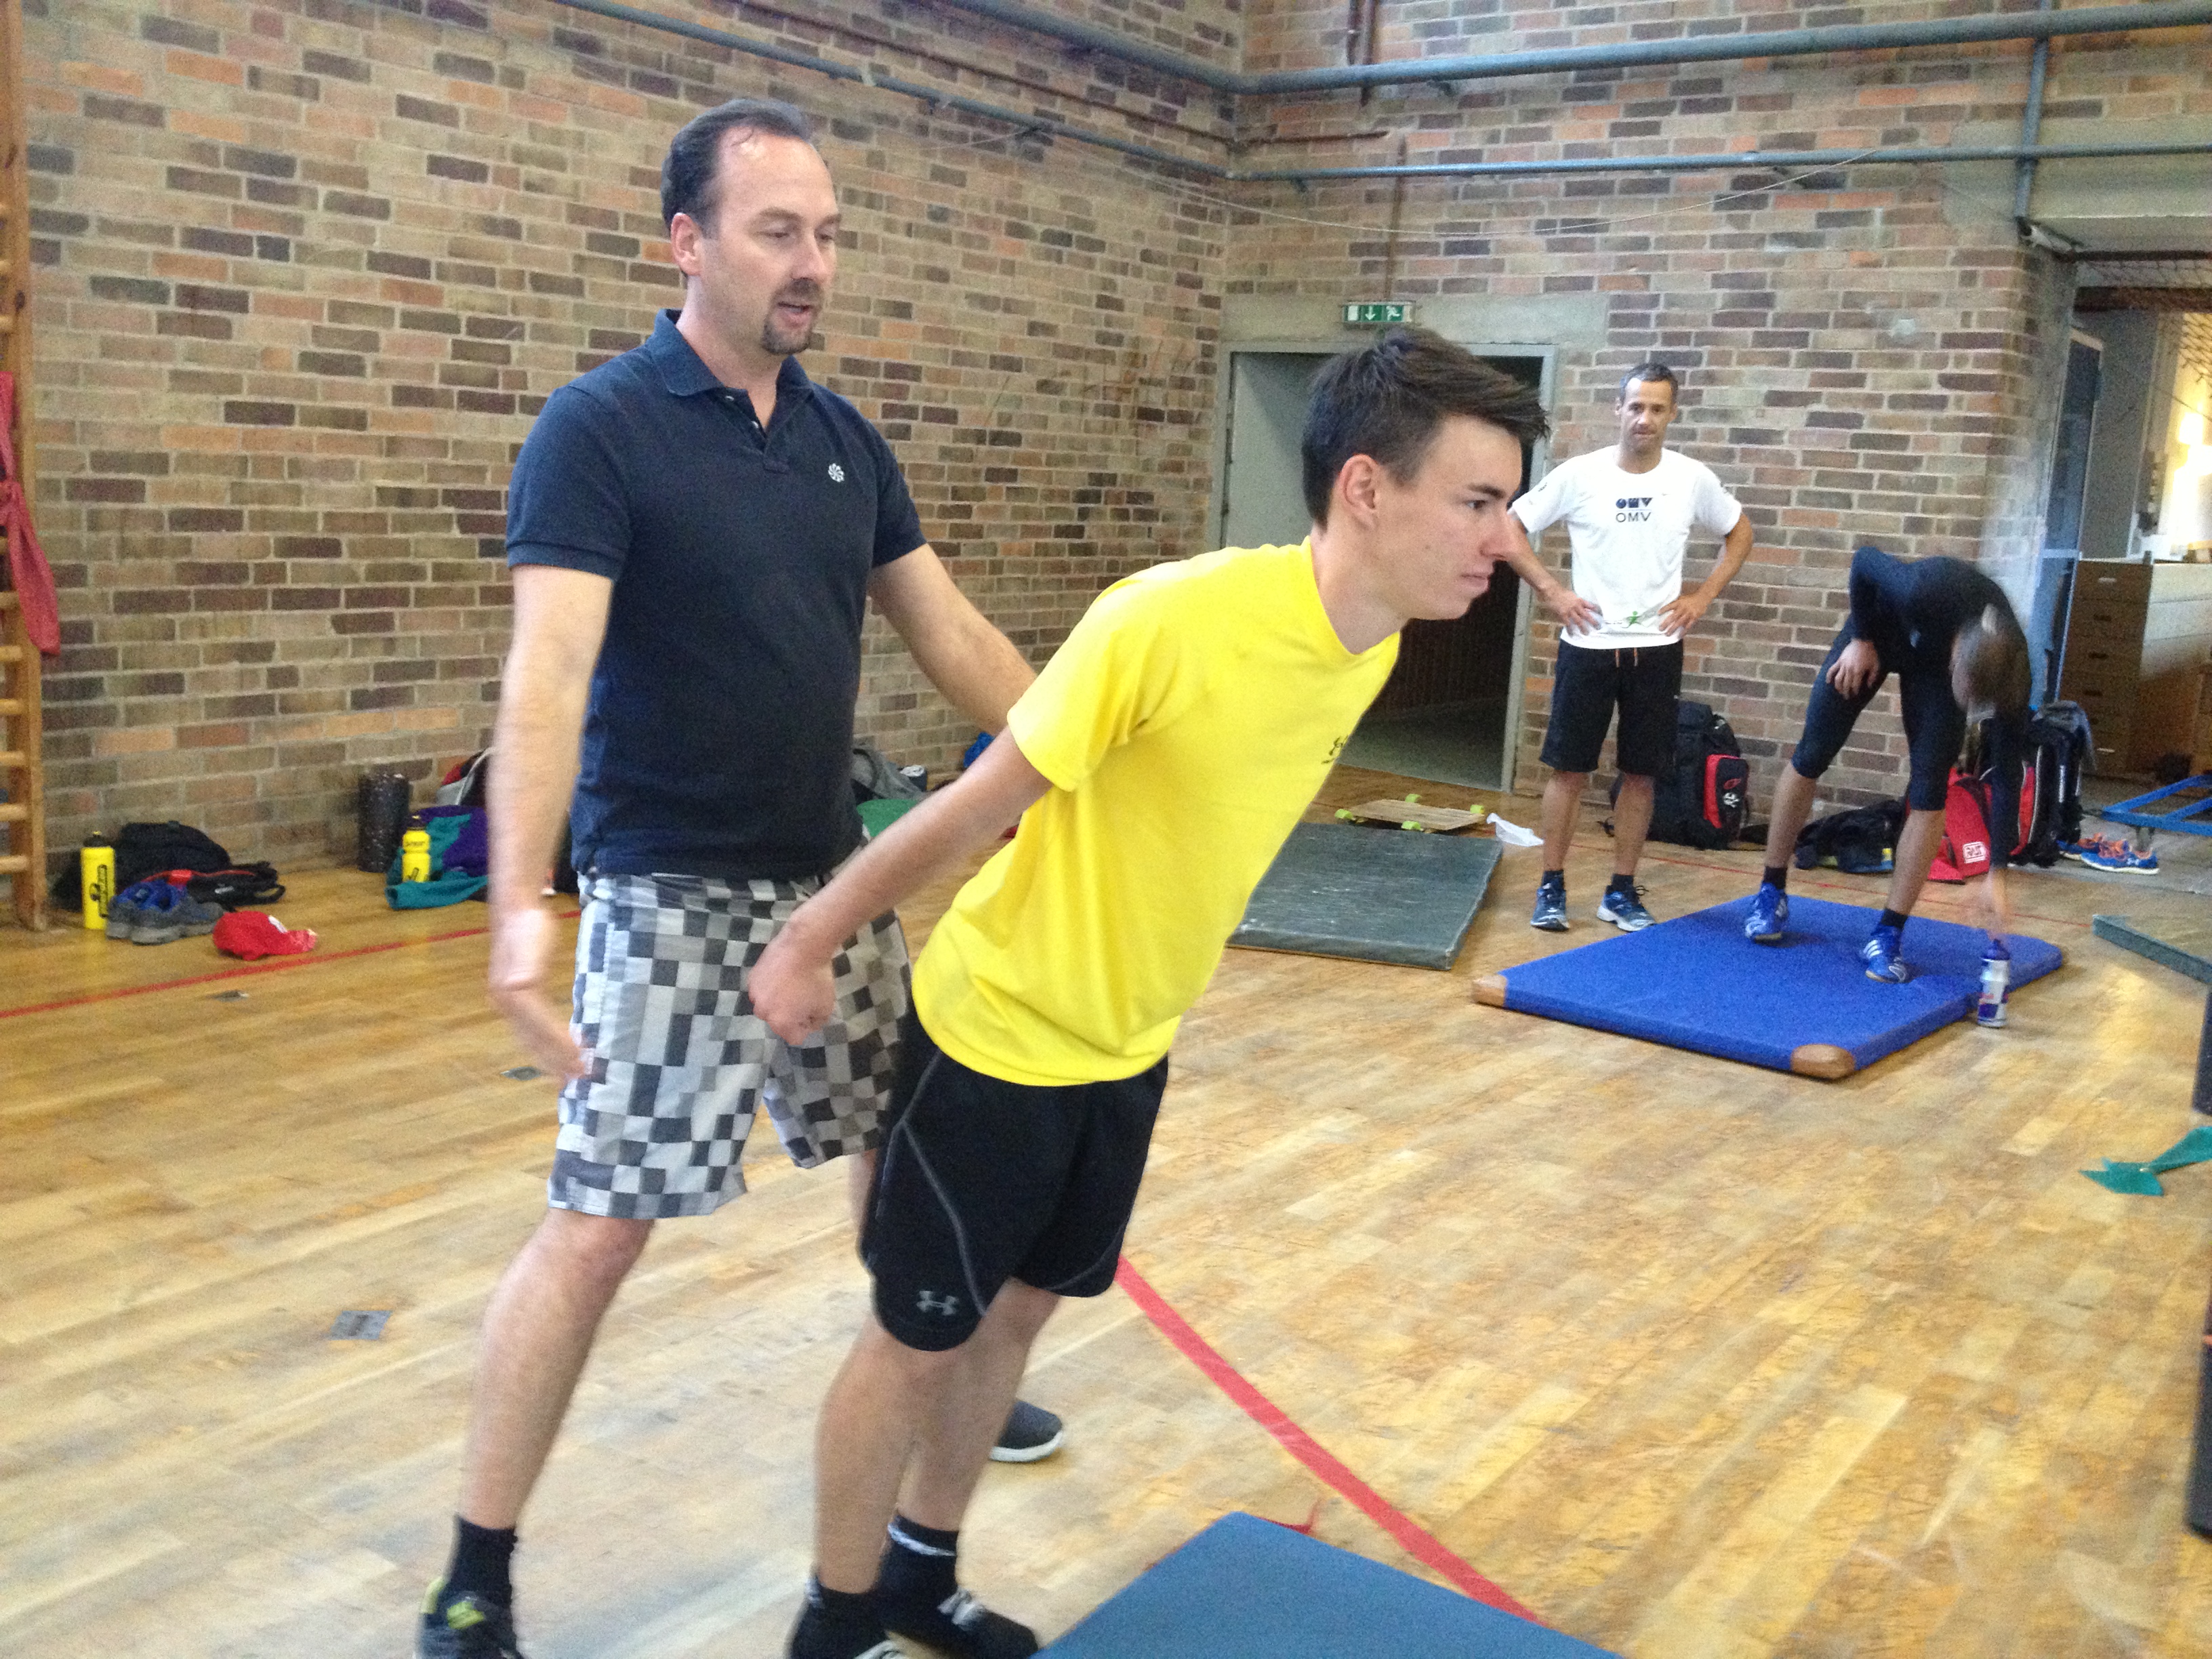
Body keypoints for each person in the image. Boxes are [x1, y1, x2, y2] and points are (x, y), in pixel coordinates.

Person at [745, 327, 1550, 1659]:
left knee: (1021, 1311)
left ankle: (919, 1571)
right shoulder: (1167, 619)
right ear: (1366, 489)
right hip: (998, 1029)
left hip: (1128, 1042)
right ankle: (832, 1624)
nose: (1504, 537)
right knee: (915, 1338)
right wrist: (809, 939)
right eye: (1478, 501)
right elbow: (971, 807)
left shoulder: (1376, 644)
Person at [420, 98, 1053, 1659]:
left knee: (893, 1179)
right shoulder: (602, 427)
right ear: (686, 241)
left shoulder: (843, 446)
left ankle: (926, 1363)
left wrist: (1076, 748)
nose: (812, 261)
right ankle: (472, 1572)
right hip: (663, 894)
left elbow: (952, 631)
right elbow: (548, 674)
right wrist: (520, 897)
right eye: (779, 230)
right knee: (597, 1225)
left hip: (829, 883)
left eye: (827, 233)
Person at [1499, 363, 1754, 933]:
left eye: (1657, 408)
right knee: (1568, 770)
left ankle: (1620, 890)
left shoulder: (1690, 479)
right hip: (1588, 646)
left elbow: (1741, 532)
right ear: (1618, 410)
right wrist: (1552, 591)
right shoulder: (1580, 475)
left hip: (1656, 650)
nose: (1645, 419)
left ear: (1672, 414)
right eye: (1636, 407)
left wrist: (1703, 597)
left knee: (1641, 774)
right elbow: (1510, 527)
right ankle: (1552, 886)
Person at [1744, 544, 2032, 979]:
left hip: (1931, 673)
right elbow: (1863, 560)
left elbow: (2008, 772)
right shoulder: (1925, 589)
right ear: (1956, 655)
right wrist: (1861, 637)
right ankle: (1771, 890)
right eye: (1966, 695)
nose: (1969, 709)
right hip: (1878, 632)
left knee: (1930, 791)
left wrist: (1998, 873)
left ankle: (1888, 934)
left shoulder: (2013, 670)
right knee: (1813, 753)